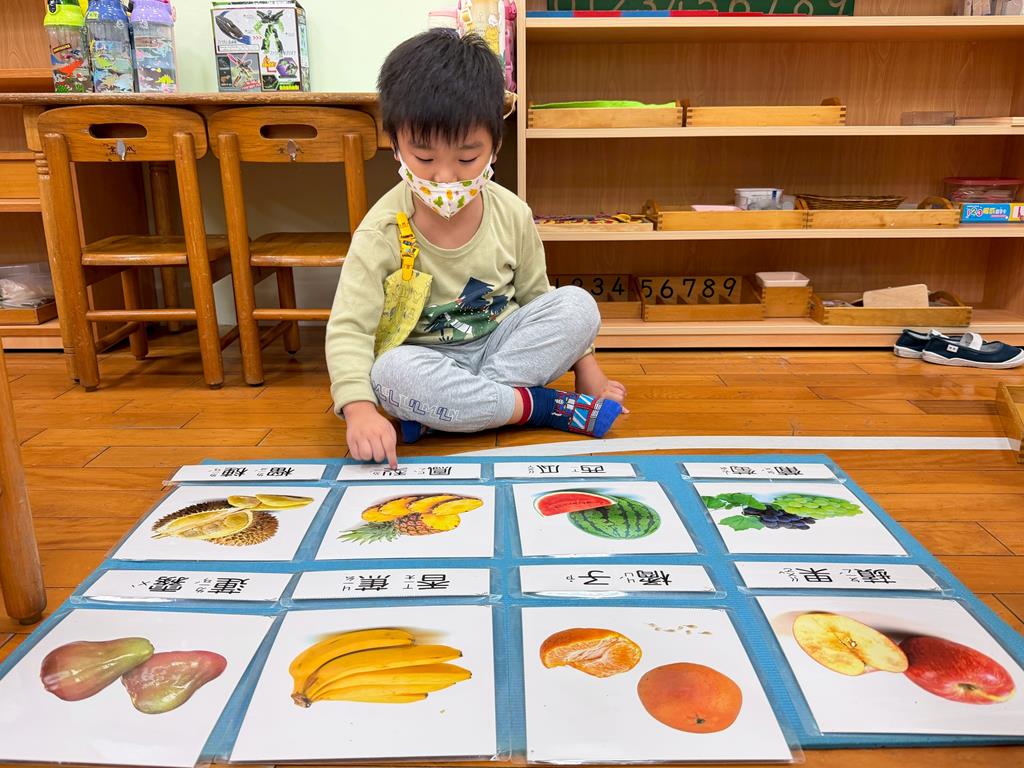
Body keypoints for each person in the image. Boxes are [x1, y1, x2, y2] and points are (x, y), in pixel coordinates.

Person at [325, 29, 627, 468]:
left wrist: (587, 368)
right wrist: (359, 410)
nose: (445, 177)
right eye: (424, 159)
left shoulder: (512, 213)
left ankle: (448, 415)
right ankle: (540, 406)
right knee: (389, 373)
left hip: (503, 350)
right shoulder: (382, 230)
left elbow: (538, 299)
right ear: (395, 144)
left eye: (467, 158)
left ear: (495, 146)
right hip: (426, 361)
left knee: (578, 305)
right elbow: (350, 329)